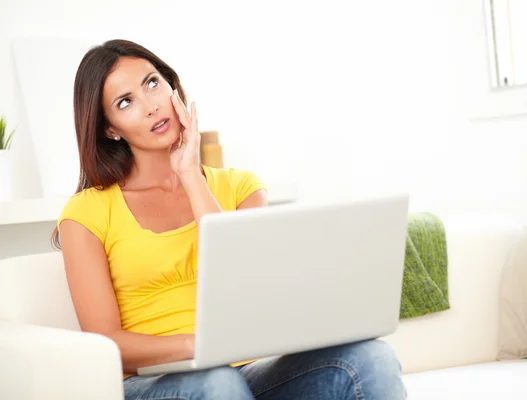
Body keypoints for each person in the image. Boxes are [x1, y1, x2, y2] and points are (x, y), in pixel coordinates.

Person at [52, 39, 407, 400]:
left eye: (152, 83)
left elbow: (251, 284)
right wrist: (199, 346)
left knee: (371, 357)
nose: (151, 106)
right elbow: (105, 342)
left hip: (248, 373)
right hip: (156, 382)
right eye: (125, 102)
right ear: (110, 128)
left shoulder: (241, 187)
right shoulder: (86, 213)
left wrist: (190, 176)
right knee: (217, 381)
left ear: (172, 85)